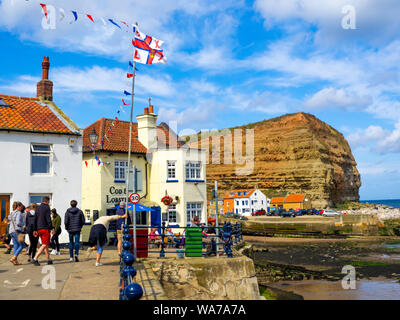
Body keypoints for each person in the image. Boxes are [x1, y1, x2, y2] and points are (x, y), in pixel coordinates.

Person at [32, 196, 54, 266]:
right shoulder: (47, 207)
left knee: (46, 244)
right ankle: (35, 258)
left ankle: (48, 259)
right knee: (44, 244)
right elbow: (48, 219)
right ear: (47, 201)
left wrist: (35, 229)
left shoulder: (38, 207)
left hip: (39, 229)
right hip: (45, 228)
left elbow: (35, 219)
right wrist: (51, 228)